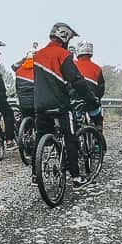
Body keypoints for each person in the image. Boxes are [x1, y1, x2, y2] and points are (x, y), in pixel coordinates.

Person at [33, 22, 98, 186]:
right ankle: (76, 177)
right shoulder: (63, 55)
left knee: (40, 137)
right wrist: (90, 99)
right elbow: (77, 81)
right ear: (65, 37)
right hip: (60, 105)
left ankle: (35, 176)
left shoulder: (38, 55)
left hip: (39, 105)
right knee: (71, 138)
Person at [74, 42, 105, 128]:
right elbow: (101, 88)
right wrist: (97, 98)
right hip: (92, 103)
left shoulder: (72, 65)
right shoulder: (97, 68)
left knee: (74, 124)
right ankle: (99, 136)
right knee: (98, 121)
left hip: (76, 103)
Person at [11, 48, 36, 117]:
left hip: (23, 104)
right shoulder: (38, 70)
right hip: (35, 104)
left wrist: (23, 59)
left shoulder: (19, 71)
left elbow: (13, 66)